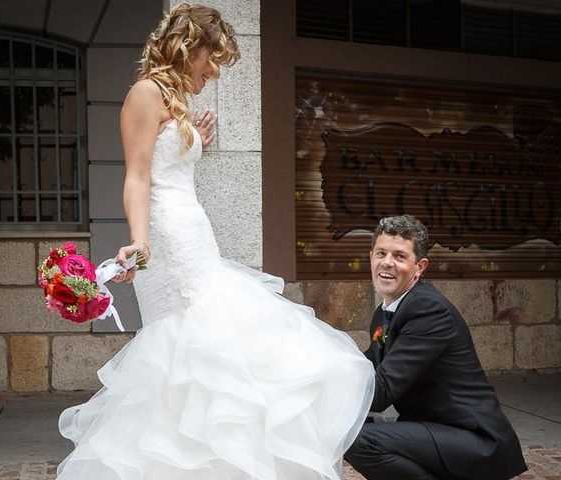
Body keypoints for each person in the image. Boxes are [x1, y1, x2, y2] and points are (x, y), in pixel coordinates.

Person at [56, 4, 375, 479]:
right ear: (190, 48)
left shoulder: (175, 102)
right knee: (191, 349)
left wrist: (193, 141)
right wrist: (141, 244)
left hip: (193, 234)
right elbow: (139, 178)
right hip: (168, 240)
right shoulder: (145, 94)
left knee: (217, 350)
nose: (213, 71)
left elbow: (169, 162)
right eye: (212, 59)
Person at [345, 214, 527, 480]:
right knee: (347, 425)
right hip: (433, 428)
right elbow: (366, 369)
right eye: (381, 253)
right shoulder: (384, 313)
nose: (387, 262)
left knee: (356, 438)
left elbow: (380, 392)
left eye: (399, 256)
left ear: (420, 267)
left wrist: (326, 376)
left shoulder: (427, 309)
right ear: (371, 257)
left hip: (474, 439)